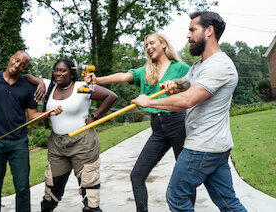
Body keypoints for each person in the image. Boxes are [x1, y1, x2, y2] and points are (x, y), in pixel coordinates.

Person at [132, 11, 247, 212]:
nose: (188, 35)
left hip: (202, 147)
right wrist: (174, 83)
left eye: (193, 30)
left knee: (176, 197)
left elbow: (187, 100)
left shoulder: (219, 65)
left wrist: (148, 101)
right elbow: (187, 84)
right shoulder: (201, 64)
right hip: (215, 147)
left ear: (209, 31)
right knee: (228, 202)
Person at [85, 33, 192, 212]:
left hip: (177, 123)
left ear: (164, 44)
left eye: (152, 43)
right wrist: (97, 80)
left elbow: (191, 85)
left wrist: (179, 85)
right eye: (146, 45)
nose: (149, 47)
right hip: (157, 128)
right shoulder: (146, 71)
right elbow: (123, 76)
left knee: (185, 177)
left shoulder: (181, 67)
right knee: (137, 175)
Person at [0, 50, 62, 212]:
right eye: (16, 61)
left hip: (19, 143)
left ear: (24, 68)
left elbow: (32, 116)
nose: (17, 65)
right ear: (11, 58)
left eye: (22, 64)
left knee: (22, 186)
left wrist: (48, 114)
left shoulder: (28, 87)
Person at [32, 59, 117, 212]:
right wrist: (39, 82)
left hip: (82, 143)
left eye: (63, 70)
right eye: (56, 70)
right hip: (57, 145)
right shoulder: (50, 86)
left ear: (71, 74)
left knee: (89, 189)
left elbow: (111, 96)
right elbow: (25, 77)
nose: (58, 73)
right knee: (51, 189)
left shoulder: (82, 87)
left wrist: (95, 117)